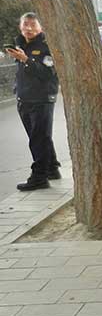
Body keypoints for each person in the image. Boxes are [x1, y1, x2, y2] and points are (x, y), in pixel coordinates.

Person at [6, 13, 61, 191]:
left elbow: (48, 74)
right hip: (25, 98)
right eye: (25, 25)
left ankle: (39, 177)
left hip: (42, 99)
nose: (28, 28)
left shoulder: (47, 46)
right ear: (20, 27)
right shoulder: (20, 43)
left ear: (40, 28)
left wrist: (26, 60)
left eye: (32, 25)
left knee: (39, 138)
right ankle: (51, 168)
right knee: (38, 137)